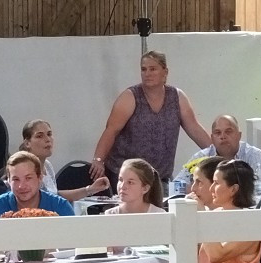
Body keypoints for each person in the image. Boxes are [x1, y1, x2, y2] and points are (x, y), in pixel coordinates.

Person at [90, 51, 210, 195]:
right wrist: (98, 159)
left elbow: (194, 129)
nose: (147, 73)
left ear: (165, 72)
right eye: (143, 69)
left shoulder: (177, 97)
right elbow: (111, 130)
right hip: (127, 175)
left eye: (153, 69)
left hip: (160, 177)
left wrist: (217, 153)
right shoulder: (129, 97)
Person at [171, 115, 261, 204]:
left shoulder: (254, 155)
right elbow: (174, 186)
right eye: (217, 133)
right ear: (212, 138)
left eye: (228, 131)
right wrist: (193, 189)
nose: (223, 136)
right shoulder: (202, 157)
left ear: (239, 135)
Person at [18, 119, 109, 202]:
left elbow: (55, 195)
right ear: (27, 143)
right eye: (39, 136)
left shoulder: (47, 165)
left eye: (49, 134)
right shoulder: (24, 169)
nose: (47, 139)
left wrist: (90, 189)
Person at [0, 151, 75, 219]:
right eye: (16, 179)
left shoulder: (61, 207)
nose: (21, 186)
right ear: (8, 180)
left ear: (39, 178)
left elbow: (74, 241)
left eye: (28, 178)